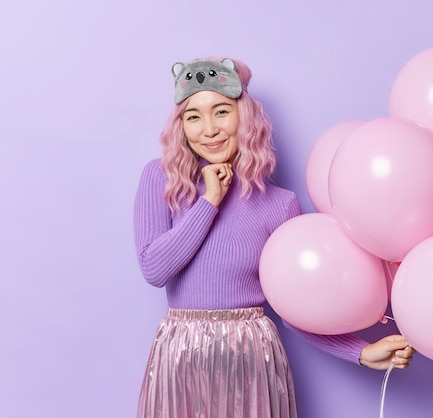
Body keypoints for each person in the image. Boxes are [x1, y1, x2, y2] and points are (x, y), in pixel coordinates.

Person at [133, 56, 415, 418]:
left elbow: (295, 309)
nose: (209, 129)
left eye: (221, 111)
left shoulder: (279, 205)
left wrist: (359, 352)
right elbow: (155, 269)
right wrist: (210, 201)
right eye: (193, 117)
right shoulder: (161, 180)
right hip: (180, 353)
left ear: (244, 117)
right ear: (181, 127)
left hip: (251, 355)